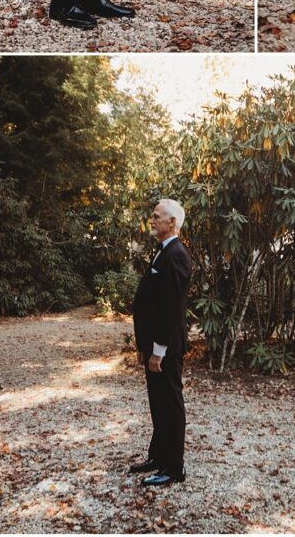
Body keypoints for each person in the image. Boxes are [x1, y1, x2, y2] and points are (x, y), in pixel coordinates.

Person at [131, 198, 192, 487]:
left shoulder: (177, 254)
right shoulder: (163, 251)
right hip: (153, 345)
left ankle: (173, 467)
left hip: (165, 347)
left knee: (170, 403)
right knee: (157, 402)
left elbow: (170, 308)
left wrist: (158, 351)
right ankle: (158, 455)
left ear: (172, 223)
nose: (152, 220)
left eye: (157, 216)